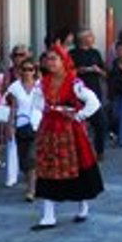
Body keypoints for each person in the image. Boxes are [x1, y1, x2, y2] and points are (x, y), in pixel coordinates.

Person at [30, 44, 105, 229]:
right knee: (47, 169)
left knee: (78, 166)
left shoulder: (74, 82)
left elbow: (93, 102)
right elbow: (37, 104)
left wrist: (78, 115)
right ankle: (48, 214)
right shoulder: (43, 83)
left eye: (54, 59)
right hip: (49, 131)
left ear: (64, 62)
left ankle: (82, 206)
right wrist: (38, 121)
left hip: (70, 132)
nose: (50, 62)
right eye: (48, 59)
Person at [5, 57, 41, 201]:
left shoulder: (40, 87)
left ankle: (31, 190)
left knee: (32, 157)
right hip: (21, 125)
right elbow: (13, 108)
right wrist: (10, 125)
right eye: (24, 69)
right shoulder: (15, 87)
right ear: (20, 71)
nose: (27, 72)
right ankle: (32, 183)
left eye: (30, 69)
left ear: (35, 71)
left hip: (37, 124)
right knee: (24, 159)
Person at [70, 29, 108, 158]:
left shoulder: (95, 53)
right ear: (83, 39)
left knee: (101, 123)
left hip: (95, 92)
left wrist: (98, 70)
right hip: (78, 93)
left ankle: (100, 151)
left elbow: (104, 73)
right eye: (90, 36)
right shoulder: (73, 54)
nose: (93, 38)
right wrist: (80, 70)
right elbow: (68, 72)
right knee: (79, 124)